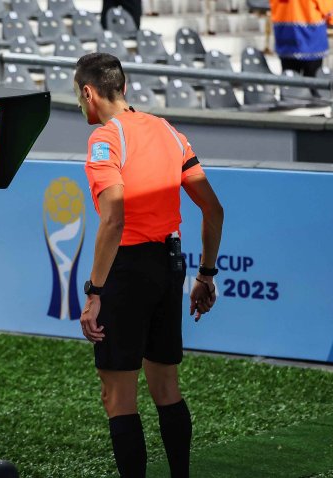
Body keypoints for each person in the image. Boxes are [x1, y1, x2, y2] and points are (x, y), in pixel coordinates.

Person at [74, 52, 224, 478]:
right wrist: (206, 275)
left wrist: (95, 293)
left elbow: (114, 217)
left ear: (89, 92)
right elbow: (214, 212)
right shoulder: (168, 131)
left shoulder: (106, 137)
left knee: (117, 396)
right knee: (166, 388)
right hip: (169, 265)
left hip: (127, 272)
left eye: (78, 95)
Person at [269, 0, 333, 77]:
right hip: (311, 41)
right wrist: (332, 19)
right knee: (312, 81)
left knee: (290, 81)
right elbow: (327, 7)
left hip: (286, 37)